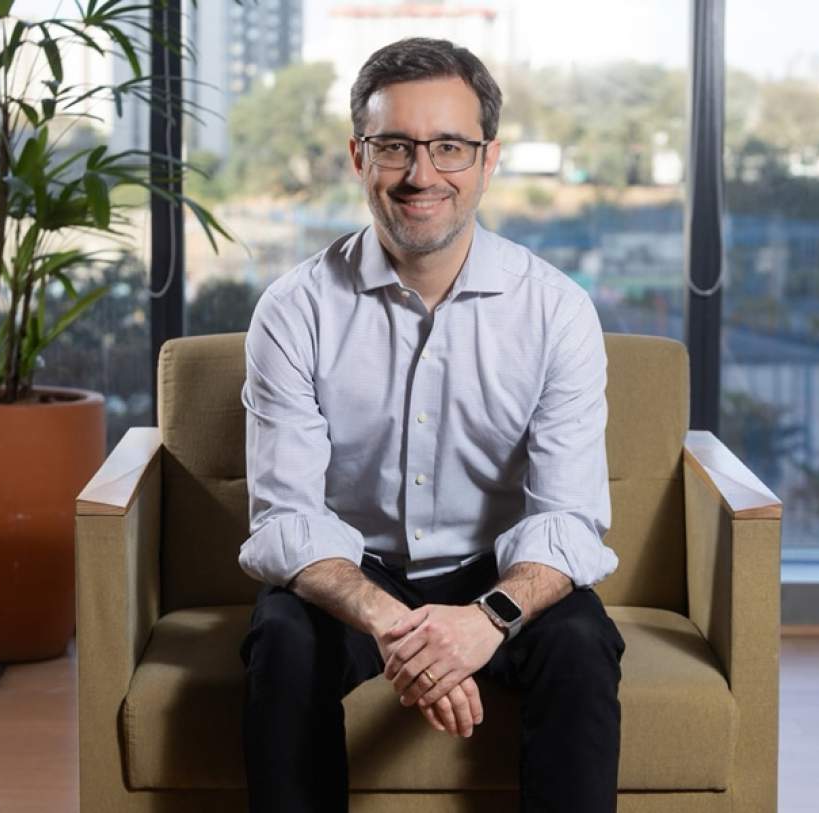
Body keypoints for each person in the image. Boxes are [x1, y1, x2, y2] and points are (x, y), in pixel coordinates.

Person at [237, 37, 625, 813]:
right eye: (395, 147)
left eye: (450, 146)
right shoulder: (294, 310)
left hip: (498, 568)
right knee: (282, 638)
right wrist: (396, 624)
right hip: (356, 572)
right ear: (359, 156)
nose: (422, 174)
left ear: (488, 159)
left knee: (582, 642)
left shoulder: (556, 312)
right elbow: (286, 519)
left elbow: (569, 518)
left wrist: (487, 619)